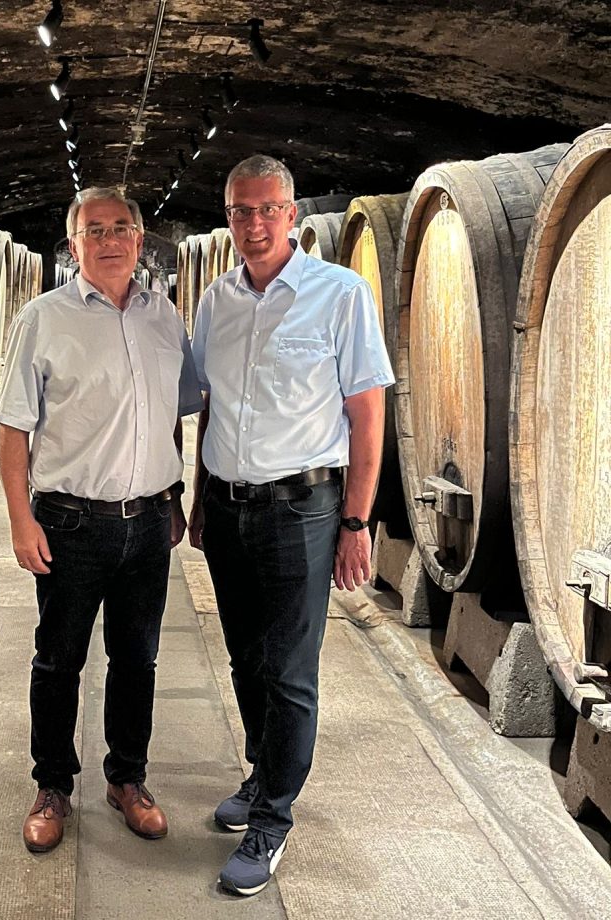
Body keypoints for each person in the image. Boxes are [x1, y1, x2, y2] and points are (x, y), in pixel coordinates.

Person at [187, 156, 394, 896]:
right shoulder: (217, 298)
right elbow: (212, 400)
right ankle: (261, 770)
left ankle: (273, 817)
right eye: (240, 211)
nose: (252, 223)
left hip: (303, 508)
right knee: (244, 658)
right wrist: (200, 492)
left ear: (293, 214)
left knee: (290, 670)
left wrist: (357, 520)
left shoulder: (340, 295)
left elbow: (367, 414)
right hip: (228, 507)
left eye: (266, 208)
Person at [0, 186, 203, 854]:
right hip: (70, 522)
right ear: (74, 243)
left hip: (147, 525)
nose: (109, 239)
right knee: (59, 661)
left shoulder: (164, 317)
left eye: (121, 227)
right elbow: (13, 430)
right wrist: (20, 521)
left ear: (140, 240)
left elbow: (178, 407)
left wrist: (174, 495)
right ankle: (52, 786)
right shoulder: (43, 318)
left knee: (137, 660)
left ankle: (127, 780)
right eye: (94, 229)